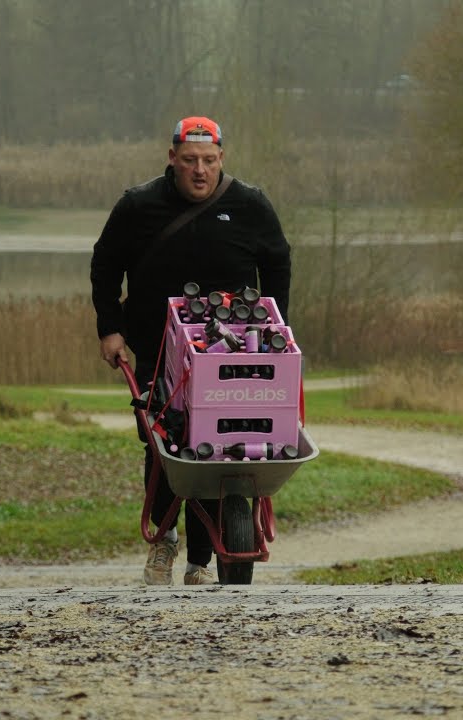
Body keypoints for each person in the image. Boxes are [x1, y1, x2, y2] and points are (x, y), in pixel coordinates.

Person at [90, 116, 292, 586]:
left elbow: (278, 263)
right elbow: (104, 266)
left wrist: (278, 324)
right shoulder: (138, 206)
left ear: (222, 158)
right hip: (158, 349)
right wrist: (110, 329)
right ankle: (164, 543)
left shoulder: (250, 205)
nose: (199, 171)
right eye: (189, 161)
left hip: (235, 354)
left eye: (208, 161)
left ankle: (201, 561)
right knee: (164, 446)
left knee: (226, 445)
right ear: (171, 159)